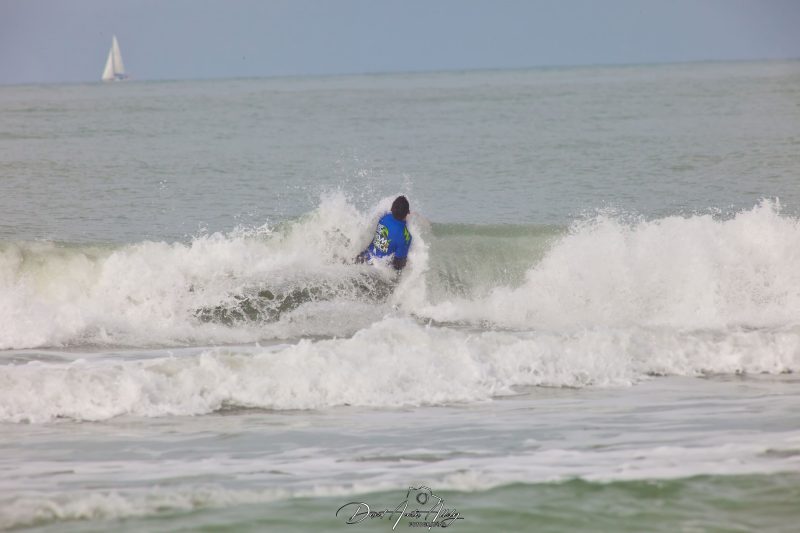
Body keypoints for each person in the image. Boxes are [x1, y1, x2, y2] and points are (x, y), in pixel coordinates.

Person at [356, 196, 412, 270]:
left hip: (362, 259)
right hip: (377, 270)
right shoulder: (405, 237)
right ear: (408, 212)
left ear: (392, 208)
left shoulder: (384, 216)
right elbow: (398, 265)